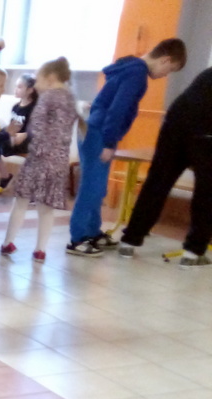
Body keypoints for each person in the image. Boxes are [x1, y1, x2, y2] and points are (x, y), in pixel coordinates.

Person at [67, 38, 187, 257]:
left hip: (94, 130)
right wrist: (110, 142)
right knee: (92, 188)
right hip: (99, 134)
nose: (165, 75)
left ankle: (92, 232)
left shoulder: (129, 67)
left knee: (97, 187)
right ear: (165, 59)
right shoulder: (137, 74)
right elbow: (118, 109)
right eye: (169, 70)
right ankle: (77, 238)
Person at [117, 66, 212, 267]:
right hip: (204, 134)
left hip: (173, 126)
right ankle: (193, 252)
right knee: (206, 193)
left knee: (156, 184)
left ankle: (129, 240)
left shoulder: (207, 74)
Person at [0, 58, 77, 264]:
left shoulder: (47, 97)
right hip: (59, 161)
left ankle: (8, 242)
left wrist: (27, 144)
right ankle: (40, 250)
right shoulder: (70, 98)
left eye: (39, 79)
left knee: (21, 201)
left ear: (50, 78)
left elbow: (37, 127)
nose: (36, 85)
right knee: (46, 208)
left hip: (39, 158)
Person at [0, 72, 37, 190]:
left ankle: (0, 176)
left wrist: (24, 135)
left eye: (19, 87)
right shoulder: (15, 107)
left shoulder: (34, 109)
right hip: (13, 138)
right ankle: (1, 176)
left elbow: (36, 130)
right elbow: (12, 127)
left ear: (30, 90)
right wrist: (8, 133)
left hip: (27, 141)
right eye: (16, 86)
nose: (15, 89)